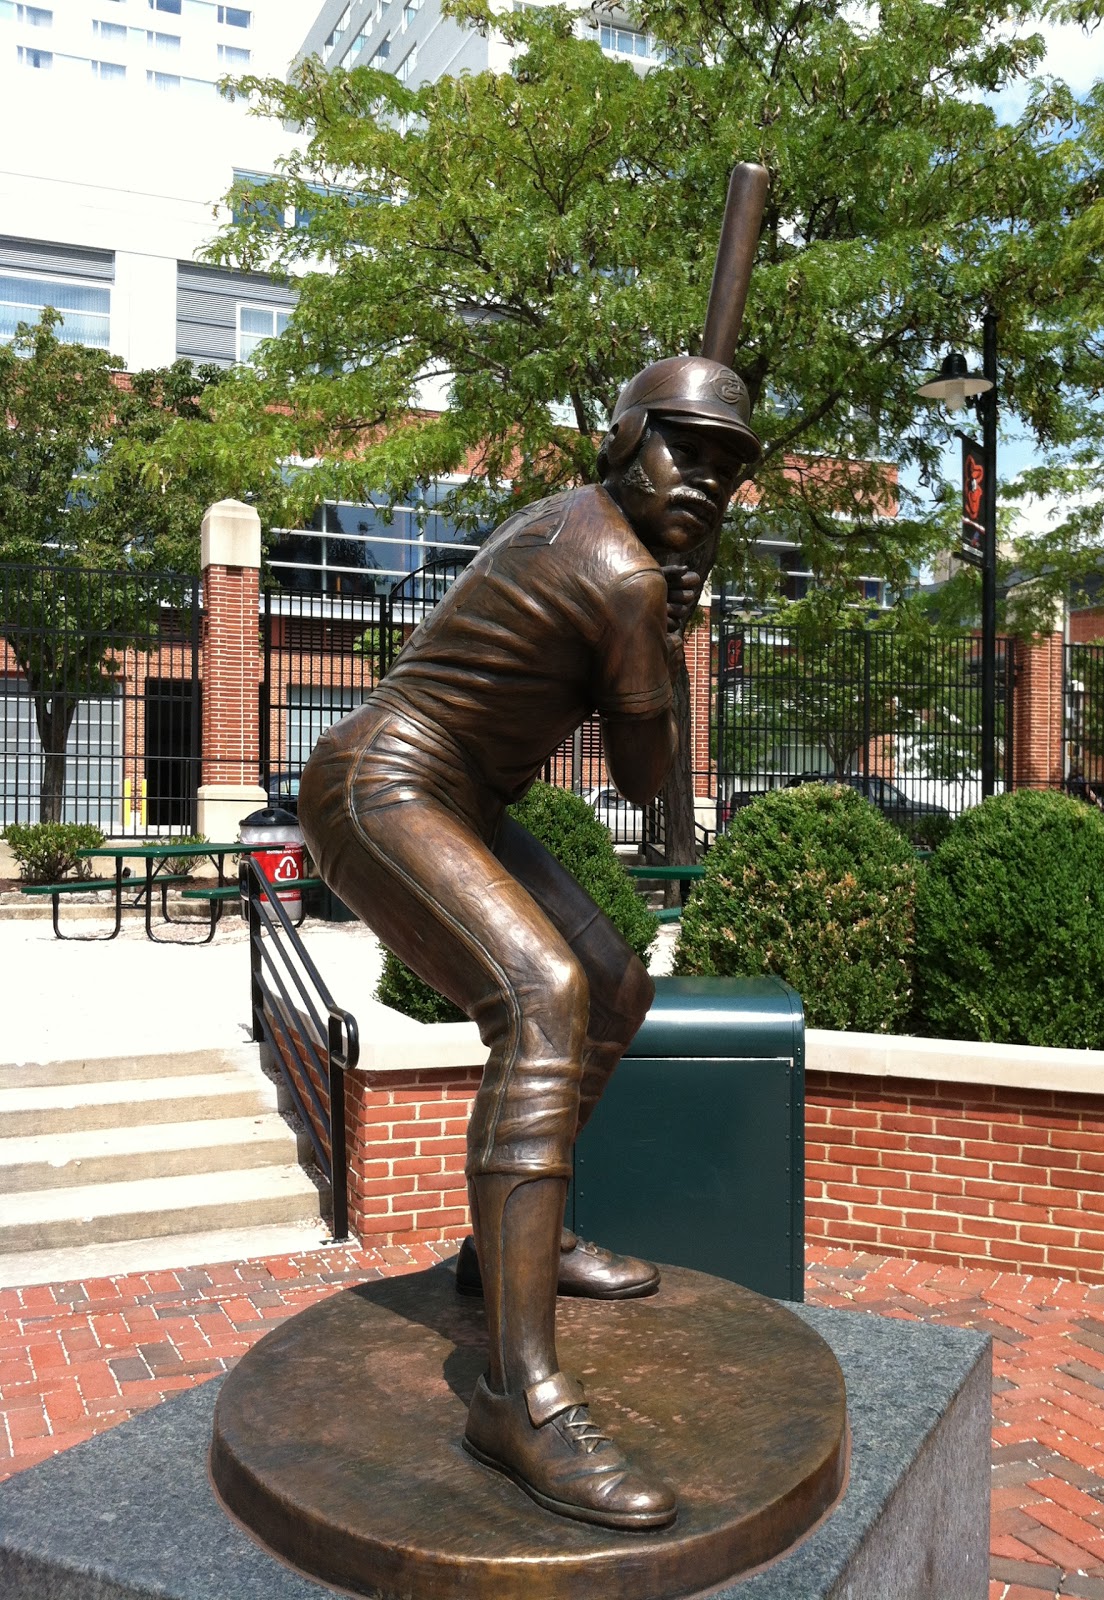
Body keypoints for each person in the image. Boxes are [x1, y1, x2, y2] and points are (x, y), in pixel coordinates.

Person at [298, 354, 760, 1531]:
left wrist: (662, 619)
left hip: (456, 798)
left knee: (613, 983)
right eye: (683, 447)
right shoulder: (618, 570)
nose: (704, 479)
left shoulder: (582, 523)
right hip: (383, 785)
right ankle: (516, 1396)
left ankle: (513, 1247)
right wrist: (664, 636)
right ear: (622, 441)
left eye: (725, 465)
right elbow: (646, 783)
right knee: (546, 996)